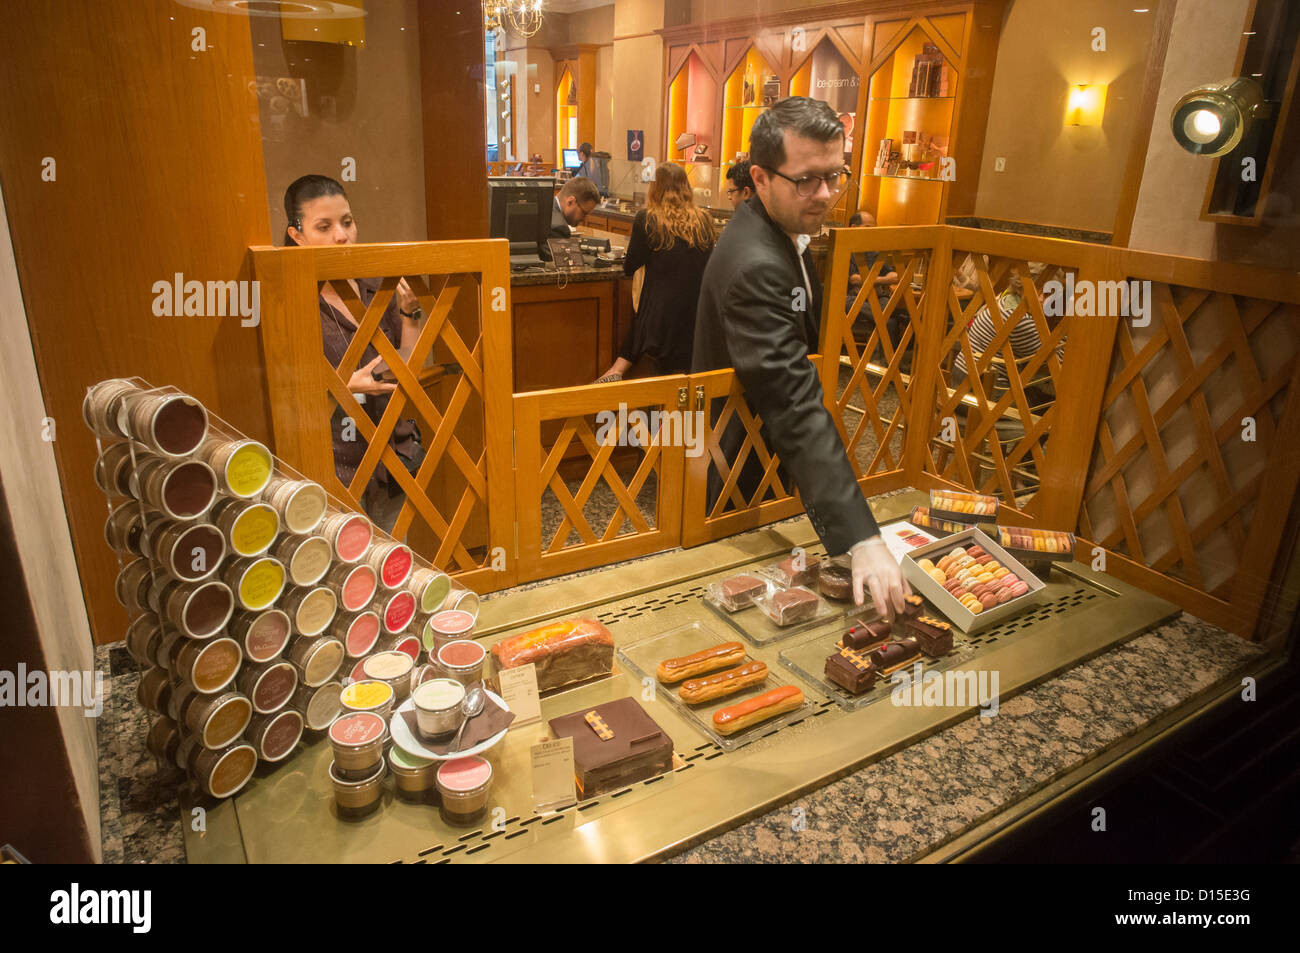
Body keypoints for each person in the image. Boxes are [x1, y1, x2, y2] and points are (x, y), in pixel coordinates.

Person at [692, 97, 909, 619]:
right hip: (736, 460)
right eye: (807, 180)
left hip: (770, 460)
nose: (827, 194)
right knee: (735, 609)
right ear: (761, 177)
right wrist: (863, 539)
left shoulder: (780, 227)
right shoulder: (755, 262)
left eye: (836, 175)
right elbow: (793, 402)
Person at [283, 174, 422, 534]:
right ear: (296, 235)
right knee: (348, 575)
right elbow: (284, 393)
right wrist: (344, 388)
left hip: (392, 451)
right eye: (324, 226)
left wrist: (410, 315)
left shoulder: (377, 286)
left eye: (347, 222)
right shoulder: (289, 302)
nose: (341, 236)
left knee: (395, 564)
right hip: (334, 463)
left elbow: (403, 368)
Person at [596, 163, 714, 382]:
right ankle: (618, 371)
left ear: (655, 188)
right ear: (686, 188)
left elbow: (630, 265)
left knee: (645, 313)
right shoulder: (704, 220)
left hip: (661, 321)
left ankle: (616, 371)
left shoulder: (648, 219)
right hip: (698, 315)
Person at [845, 211, 901, 352]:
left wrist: (874, 280)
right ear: (853, 228)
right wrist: (883, 280)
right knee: (890, 316)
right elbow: (854, 279)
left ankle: (882, 365)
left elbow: (894, 275)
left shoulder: (874, 251)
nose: (872, 231)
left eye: (874, 228)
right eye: (868, 227)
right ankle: (879, 362)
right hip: (851, 298)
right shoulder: (844, 248)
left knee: (890, 322)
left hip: (875, 297)